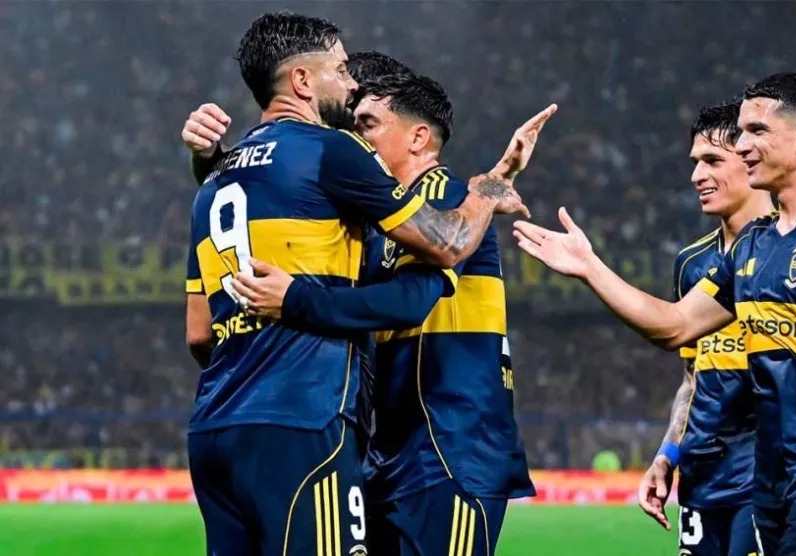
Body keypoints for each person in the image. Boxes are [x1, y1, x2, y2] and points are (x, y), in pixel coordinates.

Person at [513, 71, 796, 554]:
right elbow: (676, 326)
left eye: (757, 131)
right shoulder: (754, 243)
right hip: (771, 482)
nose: (742, 145)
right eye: (740, 133)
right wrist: (590, 268)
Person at [183, 51, 553, 556]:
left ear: (418, 138)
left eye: (368, 125)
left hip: (452, 449)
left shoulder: (442, 195)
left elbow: (412, 299)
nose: (356, 139)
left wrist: (295, 299)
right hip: (390, 451)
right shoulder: (375, 223)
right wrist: (211, 162)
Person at [638, 100, 773, 555]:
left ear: (751, 159)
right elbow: (692, 380)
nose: (697, 175)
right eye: (695, 162)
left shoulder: (792, 251)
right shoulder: (691, 263)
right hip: (701, 481)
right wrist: (668, 455)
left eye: (713, 161)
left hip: (766, 478)